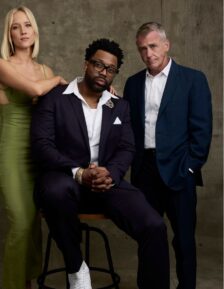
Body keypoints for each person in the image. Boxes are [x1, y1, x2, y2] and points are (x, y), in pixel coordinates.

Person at [31, 39, 169, 289]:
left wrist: (111, 173)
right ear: (86, 64)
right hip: (64, 179)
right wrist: (78, 172)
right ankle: (76, 268)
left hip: (106, 182)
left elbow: (127, 147)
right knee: (55, 190)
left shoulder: (119, 105)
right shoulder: (54, 98)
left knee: (154, 225)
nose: (103, 72)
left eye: (110, 69)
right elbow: (42, 145)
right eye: (98, 65)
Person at [123, 22, 212, 289]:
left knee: (184, 239)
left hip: (179, 169)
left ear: (166, 44)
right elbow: (128, 127)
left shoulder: (193, 79)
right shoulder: (133, 83)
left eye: (152, 46)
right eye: (142, 49)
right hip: (144, 171)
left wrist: (189, 167)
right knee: (148, 237)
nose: (148, 53)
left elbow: (202, 129)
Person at [0, 6, 66, 289]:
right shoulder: (3, 65)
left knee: (35, 227)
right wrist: (62, 81)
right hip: (12, 151)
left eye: (27, 25)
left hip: (38, 154)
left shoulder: (44, 69)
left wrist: (103, 91)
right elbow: (37, 91)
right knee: (21, 223)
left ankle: (29, 281)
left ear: (35, 29)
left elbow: (60, 111)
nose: (23, 31)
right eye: (16, 27)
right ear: (9, 34)